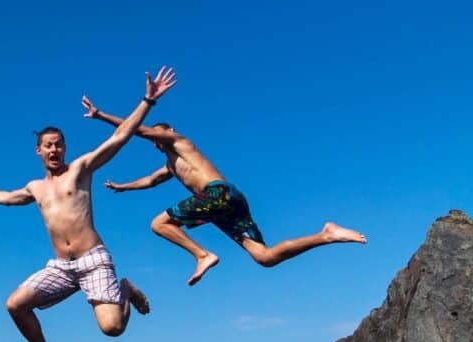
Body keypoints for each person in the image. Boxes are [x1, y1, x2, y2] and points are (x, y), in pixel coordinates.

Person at [0, 67, 177, 342]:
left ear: (65, 148)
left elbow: (119, 138)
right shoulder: (35, 187)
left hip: (93, 261)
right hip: (62, 267)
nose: (54, 150)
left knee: (113, 329)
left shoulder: (79, 170)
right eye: (48, 145)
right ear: (38, 150)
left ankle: (126, 288)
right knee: (15, 304)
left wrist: (148, 100)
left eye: (59, 145)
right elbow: (8, 198)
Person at [82, 98, 367, 286]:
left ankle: (202, 255)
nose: (157, 141)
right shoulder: (171, 165)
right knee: (264, 258)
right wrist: (122, 187)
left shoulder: (180, 142)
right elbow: (149, 181)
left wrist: (101, 116)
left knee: (159, 224)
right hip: (225, 204)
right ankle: (326, 234)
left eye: (159, 136)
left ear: (168, 132)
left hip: (217, 195)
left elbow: (139, 131)